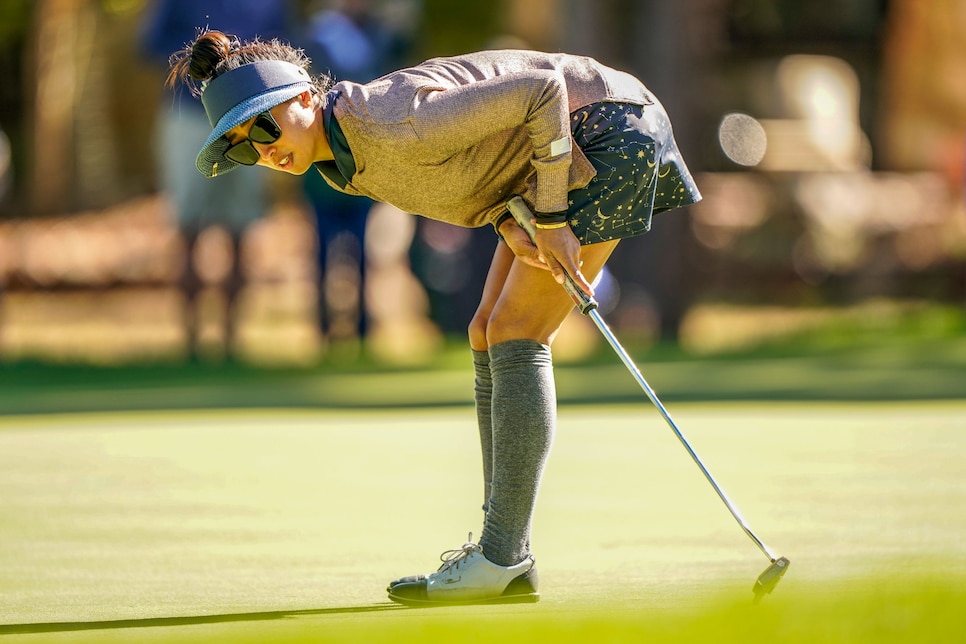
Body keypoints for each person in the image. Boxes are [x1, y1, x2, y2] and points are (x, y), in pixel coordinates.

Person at [166, 28, 701, 606]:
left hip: (609, 130)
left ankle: (501, 556)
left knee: (518, 332)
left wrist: (549, 215)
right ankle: (506, 557)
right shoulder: (347, 154)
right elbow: (487, 165)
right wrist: (514, 222)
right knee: (485, 333)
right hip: (567, 151)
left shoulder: (391, 121)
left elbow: (543, 94)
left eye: (265, 127)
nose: (264, 150)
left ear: (302, 98)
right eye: (246, 147)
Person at [139, 0, 292, 359]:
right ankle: (191, 346)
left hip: (250, 120)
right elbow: (150, 45)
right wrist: (204, 62)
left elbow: (284, 50)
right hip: (189, 117)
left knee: (241, 232)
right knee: (189, 230)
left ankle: (231, 345)